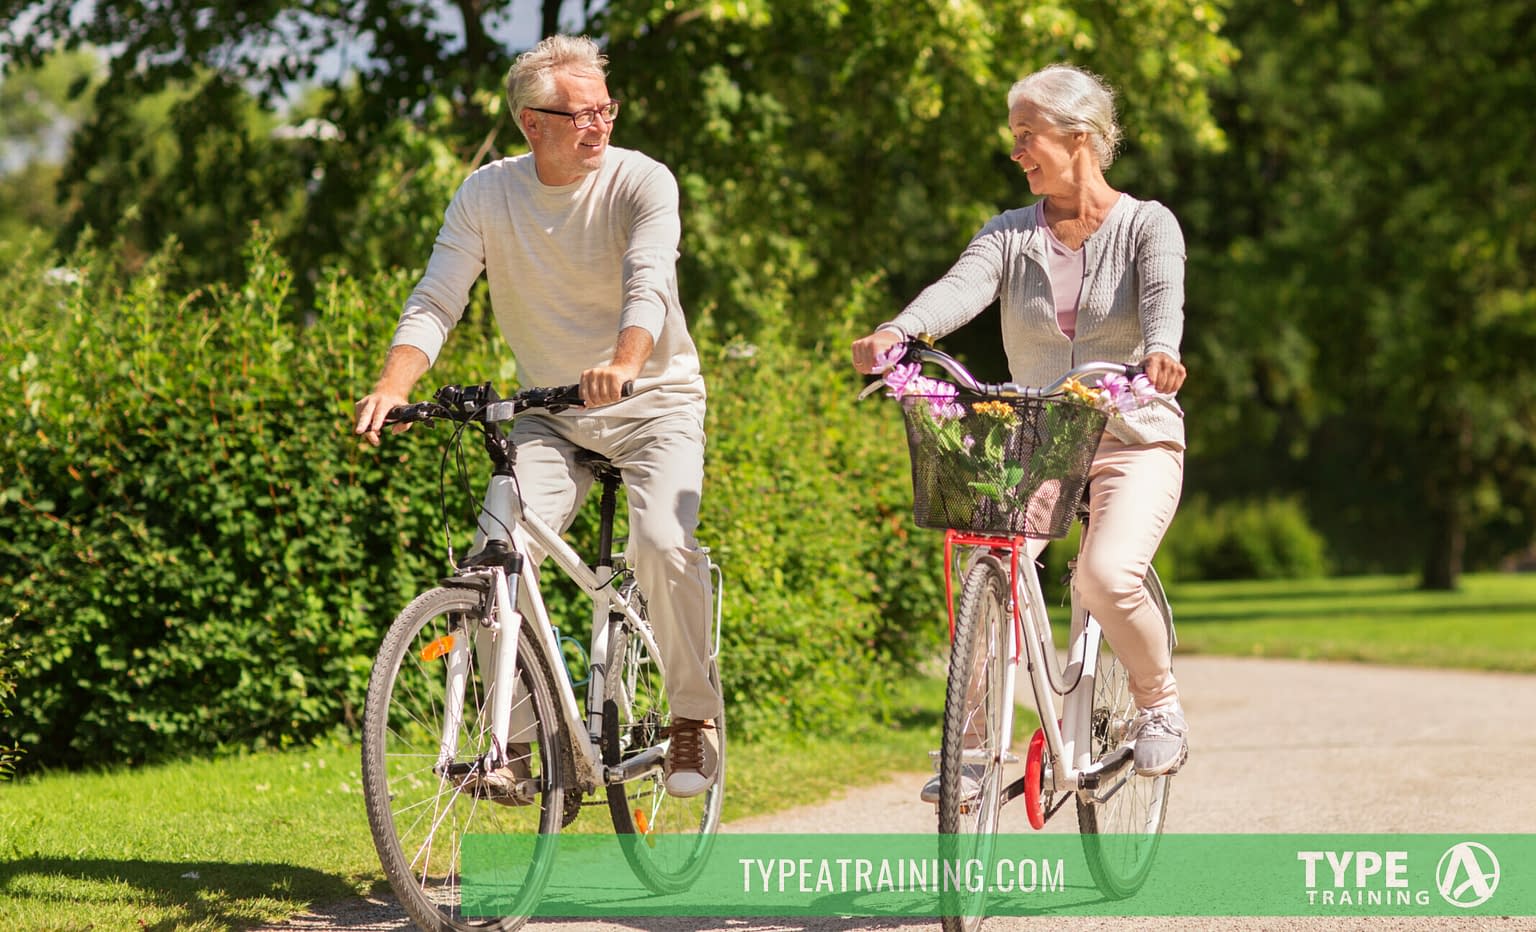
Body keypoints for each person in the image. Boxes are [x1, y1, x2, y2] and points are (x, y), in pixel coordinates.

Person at [353, 34, 721, 799]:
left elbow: (648, 279)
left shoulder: (641, 180)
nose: (599, 125)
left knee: (661, 542)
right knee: (495, 554)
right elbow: (438, 297)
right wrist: (392, 384)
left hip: (653, 404)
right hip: (551, 415)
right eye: (580, 114)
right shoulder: (488, 194)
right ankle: (513, 744)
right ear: (532, 123)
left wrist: (625, 361)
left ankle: (694, 715)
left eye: (605, 109)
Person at [850, 63, 1190, 797]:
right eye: (1015, 136)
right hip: (1039, 442)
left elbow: (1164, 301)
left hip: (1133, 433)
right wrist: (899, 330)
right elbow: (959, 288)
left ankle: (1159, 703)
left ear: (1079, 137)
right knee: (991, 567)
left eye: (1028, 135)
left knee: (1106, 577)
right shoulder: (1008, 234)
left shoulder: (1147, 224)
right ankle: (974, 750)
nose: (1017, 151)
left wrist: (1161, 351)